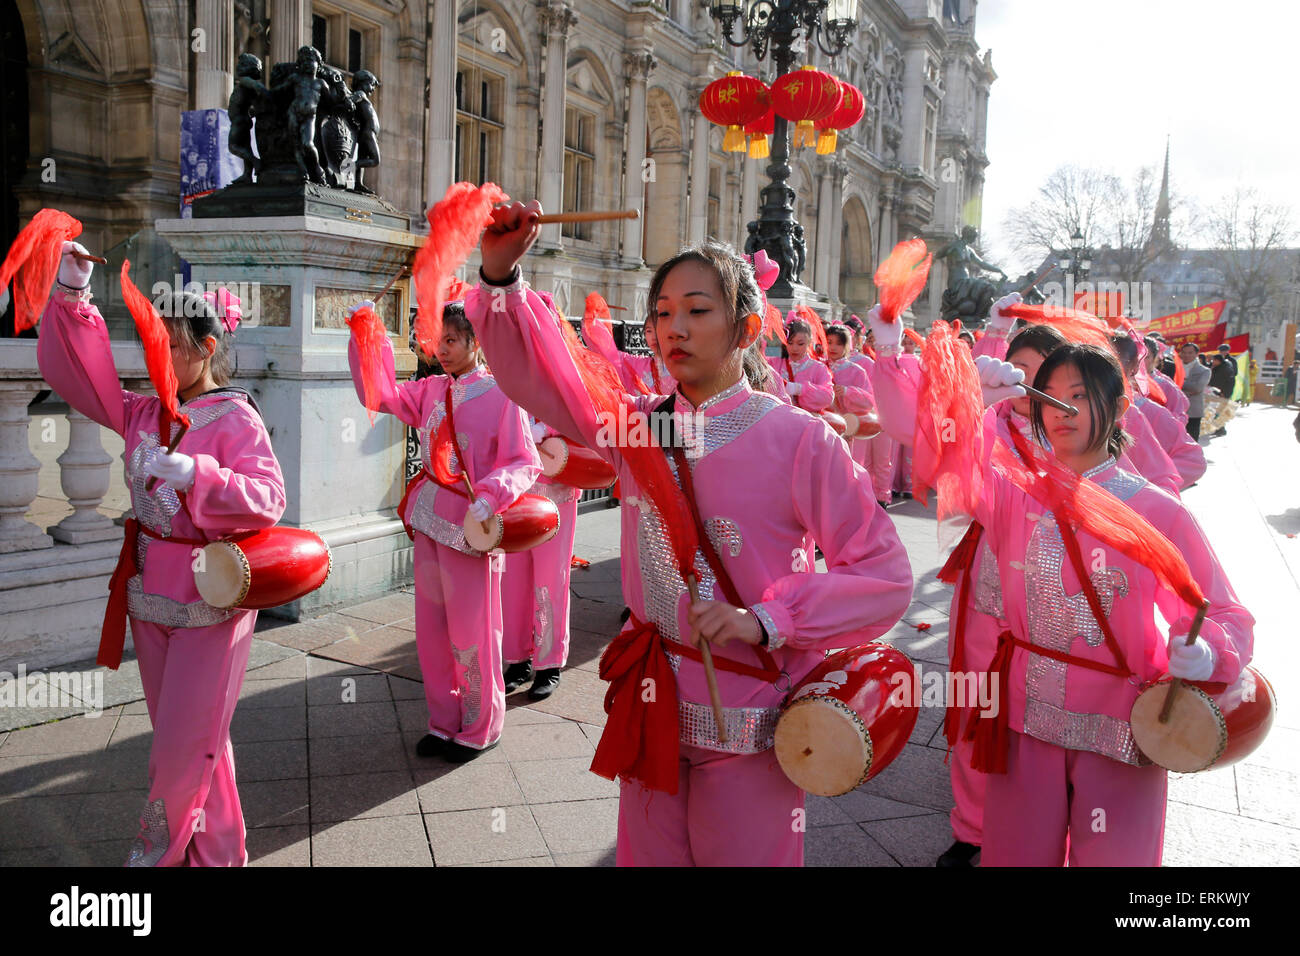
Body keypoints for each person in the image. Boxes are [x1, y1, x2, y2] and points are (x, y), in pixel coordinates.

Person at [466, 201, 914, 866]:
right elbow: (546, 380)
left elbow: (886, 577)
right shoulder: (638, 426)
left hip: (752, 713)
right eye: (663, 312)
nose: (675, 327)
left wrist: (767, 617)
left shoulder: (799, 439)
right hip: (652, 701)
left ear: (747, 326)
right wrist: (501, 281)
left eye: (698, 309)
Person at [874, 325, 1254, 866]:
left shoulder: (1157, 510)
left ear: (1120, 407)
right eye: (1052, 396)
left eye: (1081, 395)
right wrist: (969, 404)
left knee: (1115, 856)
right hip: (1025, 714)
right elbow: (947, 463)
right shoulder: (1014, 494)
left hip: (1121, 718)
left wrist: (1208, 650)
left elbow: (1221, 610)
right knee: (1017, 852)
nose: (1063, 410)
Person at [37, 242, 286, 866]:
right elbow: (79, 379)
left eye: (172, 344)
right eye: (154, 341)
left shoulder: (235, 418)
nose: (160, 355)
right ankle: (222, 853)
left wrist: (196, 471)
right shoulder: (144, 410)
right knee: (198, 741)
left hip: (211, 596)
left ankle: (157, 855)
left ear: (206, 348)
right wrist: (71, 300)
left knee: (180, 746)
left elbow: (268, 498)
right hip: (150, 594)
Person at [347, 298, 541, 761]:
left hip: (471, 529)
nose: (443, 348)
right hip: (430, 521)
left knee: (473, 630)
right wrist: (366, 336)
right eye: (438, 340)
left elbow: (525, 460)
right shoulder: (432, 389)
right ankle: (443, 721)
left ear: (476, 342)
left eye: (452, 340)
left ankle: (481, 724)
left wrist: (491, 493)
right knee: (432, 631)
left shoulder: (502, 395)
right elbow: (380, 395)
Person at [501, 414, 579, 700]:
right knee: (512, 584)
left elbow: (580, 412)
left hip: (554, 489)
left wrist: (545, 427)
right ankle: (517, 660)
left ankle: (549, 664)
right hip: (512, 492)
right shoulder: (504, 378)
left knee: (550, 582)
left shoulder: (560, 372)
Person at [1111, 335, 1206, 490]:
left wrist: (1150, 488)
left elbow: (1193, 459)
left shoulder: (1152, 403)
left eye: (1147, 357)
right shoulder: (1076, 408)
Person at [1178, 342, 1211, 441]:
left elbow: (1197, 388)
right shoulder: (1175, 367)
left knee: (1192, 441)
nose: (1186, 355)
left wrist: (1179, 383)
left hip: (1193, 411)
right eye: (1184, 352)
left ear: (1196, 354)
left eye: (1190, 353)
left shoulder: (1204, 370)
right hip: (1176, 410)